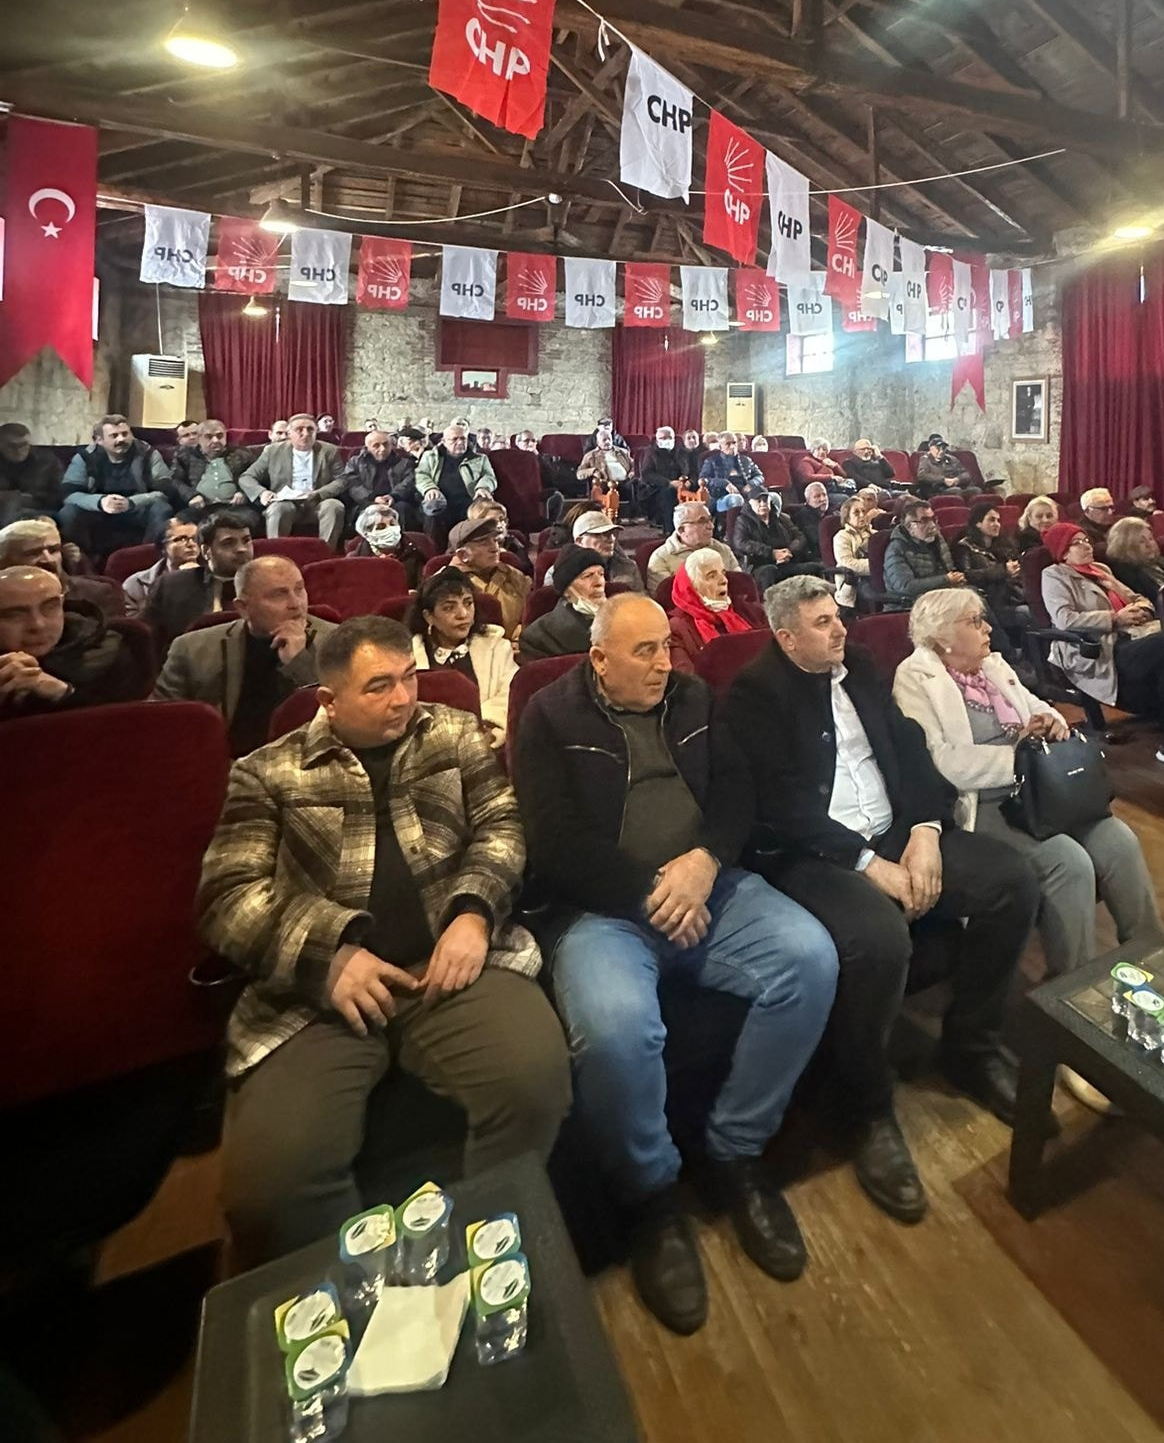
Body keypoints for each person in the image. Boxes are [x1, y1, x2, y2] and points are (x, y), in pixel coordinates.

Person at [199, 615, 571, 1268]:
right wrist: (327, 956)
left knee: (535, 1082)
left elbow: (501, 827)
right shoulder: (268, 773)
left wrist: (473, 911)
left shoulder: (452, 734)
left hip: (451, 965)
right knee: (271, 1183)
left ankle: (482, 1246)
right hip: (319, 999)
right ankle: (360, 1290)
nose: (402, 698)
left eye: (408, 678)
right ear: (329, 699)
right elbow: (227, 897)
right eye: (379, 687)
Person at [513, 594, 836, 1333]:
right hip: (604, 908)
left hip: (709, 884)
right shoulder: (549, 715)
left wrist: (705, 861)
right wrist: (650, 892)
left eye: (666, 646)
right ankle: (651, 1194)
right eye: (645, 652)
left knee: (810, 959)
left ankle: (735, 1148)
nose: (665, 663)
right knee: (615, 1028)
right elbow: (553, 840)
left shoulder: (694, 697)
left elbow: (735, 792)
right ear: (599, 659)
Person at [715, 578, 1039, 1224]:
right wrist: (870, 866)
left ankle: (971, 1046)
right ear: (786, 637)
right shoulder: (755, 693)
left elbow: (911, 751)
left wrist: (925, 831)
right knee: (879, 940)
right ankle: (864, 1109)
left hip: (894, 829)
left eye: (838, 616)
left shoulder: (859, 666)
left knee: (1011, 880)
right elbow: (780, 806)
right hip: (816, 852)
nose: (840, 628)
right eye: (822, 623)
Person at [893, 586, 1160, 1107]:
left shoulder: (992, 665)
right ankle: (1076, 1014)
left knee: (1119, 841)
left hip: (1040, 791)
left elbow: (1039, 707)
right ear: (942, 638)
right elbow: (940, 761)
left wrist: (1049, 722)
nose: (988, 628)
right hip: (984, 805)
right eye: (975, 621)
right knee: (1068, 863)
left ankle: (1151, 966)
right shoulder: (915, 677)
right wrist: (1017, 756)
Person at [153, 555, 335, 756]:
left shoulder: (337, 641)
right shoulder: (191, 649)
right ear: (243, 608)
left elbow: (340, 717)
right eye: (278, 595)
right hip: (224, 762)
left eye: (299, 589)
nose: (296, 603)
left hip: (305, 761)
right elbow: (160, 721)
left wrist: (298, 663)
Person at [1039, 522, 1164, 717]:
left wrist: (1143, 609)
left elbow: (1136, 597)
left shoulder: (1100, 568)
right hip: (1099, 646)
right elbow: (1065, 620)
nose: (1087, 546)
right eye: (1077, 543)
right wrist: (1115, 619)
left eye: (1086, 540)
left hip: (1134, 633)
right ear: (1063, 552)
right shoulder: (1054, 575)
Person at [0, 564, 137, 717]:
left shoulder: (108, 651)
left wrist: (64, 692)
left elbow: (121, 723)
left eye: (50, 607)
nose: (38, 625)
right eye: (14, 615)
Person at [409, 567, 515, 742]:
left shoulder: (496, 645)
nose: (463, 614)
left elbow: (510, 691)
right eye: (449, 608)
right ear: (429, 617)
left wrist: (486, 725)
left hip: (486, 737)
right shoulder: (409, 654)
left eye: (468, 603)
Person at [59, 415, 174, 559]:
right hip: (98, 510)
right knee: (69, 513)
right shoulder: (85, 457)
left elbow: (165, 491)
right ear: (99, 440)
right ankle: (81, 561)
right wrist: (100, 502)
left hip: (137, 507)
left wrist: (131, 502)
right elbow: (68, 495)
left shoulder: (148, 453)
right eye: (114, 436)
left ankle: (149, 559)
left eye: (125, 434)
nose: (121, 439)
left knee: (162, 508)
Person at [240, 414, 348, 548]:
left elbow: (342, 479)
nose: (305, 434)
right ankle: (277, 553)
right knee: (278, 509)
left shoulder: (329, 451)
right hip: (286, 502)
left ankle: (325, 551)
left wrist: (320, 493)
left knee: (334, 506)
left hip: (317, 501)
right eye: (299, 430)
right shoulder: (273, 451)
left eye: (310, 429)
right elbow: (247, 477)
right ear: (289, 433)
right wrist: (262, 493)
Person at [146, 510, 254, 643]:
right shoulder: (171, 586)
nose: (242, 549)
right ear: (206, 551)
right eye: (228, 543)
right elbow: (145, 636)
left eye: (246, 541)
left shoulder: (269, 581)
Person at [0, 516, 124, 621]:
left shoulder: (97, 594)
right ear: (4, 562)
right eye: (33, 553)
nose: (48, 560)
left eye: (54, 550)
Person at [668, 546, 756, 677]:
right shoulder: (677, 627)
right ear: (692, 587)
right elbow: (686, 680)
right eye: (712, 576)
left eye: (723, 573)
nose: (724, 581)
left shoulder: (748, 611)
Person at [415, 420, 498, 549]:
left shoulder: (479, 458)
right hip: (439, 500)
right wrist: (429, 488)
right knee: (434, 514)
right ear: (444, 441)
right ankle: (436, 553)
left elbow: (489, 476)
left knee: (480, 513)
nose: (460, 442)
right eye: (454, 439)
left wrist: (483, 487)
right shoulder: (430, 456)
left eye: (463, 439)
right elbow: (421, 475)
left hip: (469, 500)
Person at [168, 419, 260, 530]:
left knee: (249, 519)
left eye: (220, 436)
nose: (215, 440)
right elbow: (175, 480)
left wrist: (243, 492)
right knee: (177, 525)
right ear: (199, 438)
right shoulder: (185, 456)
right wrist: (191, 496)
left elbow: (256, 477)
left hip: (234, 507)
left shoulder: (242, 454)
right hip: (201, 508)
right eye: (209, 437)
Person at [519, 548, 607, 662]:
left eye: (601, 574)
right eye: (588, 576)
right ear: (567, 591)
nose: (599, 582)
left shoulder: (624, 620)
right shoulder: (539, 637)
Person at [448, 517, 528, 640]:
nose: (495, 548)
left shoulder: (513, 574)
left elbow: (530, 611)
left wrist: (522, 632)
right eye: (484, 543)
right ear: (463, 554)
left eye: (495, 540)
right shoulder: (444, 584)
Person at [954, 499, 1026, 630]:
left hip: (1012, 595)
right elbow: (967, 575)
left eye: (998, 520)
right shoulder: (964, 546)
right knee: (1028, 614)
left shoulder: (1004, 544)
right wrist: (1004, 571)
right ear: (978, 523)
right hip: (990, 600)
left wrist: (1016, 570)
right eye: (991, 520)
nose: (997, 524)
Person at [883, 495, 966, 607]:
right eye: (924, 521)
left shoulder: (938, 539)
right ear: (910, 526)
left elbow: (949, 569)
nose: (932, 526)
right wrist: (945, 580)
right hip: (911, 604)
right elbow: (906, 586)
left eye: (933, 519)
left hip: (941, 596)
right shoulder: (896, 549)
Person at [731, 486, 819, 591]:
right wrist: (772, 553)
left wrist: (789, 551)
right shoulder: (743, 521)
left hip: (787, 560)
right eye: (758, 501)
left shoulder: (781, 518)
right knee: (769, 571)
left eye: (765, 500)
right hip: (759, 564)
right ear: (750, 503)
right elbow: (740, 543)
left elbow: (800, 536)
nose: (763, 504)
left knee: (816, 567)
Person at [341, 428, 421, 531]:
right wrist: (373, 498)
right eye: (376, 445)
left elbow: (409, 482)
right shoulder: (355, 462)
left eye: (386, 444)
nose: (382, 449)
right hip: (367, 501)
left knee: (403, 509)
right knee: (364, 511)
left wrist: (393, 496)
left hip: (396, 501)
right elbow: (352, 484)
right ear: (368, 447)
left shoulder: (404, 462)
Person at [122, 515, 200, 618]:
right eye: (181, 539)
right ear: (163, 548)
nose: (191, 544)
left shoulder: (214, 574)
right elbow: (135, 625)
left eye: (195, 538)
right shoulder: (135, 585)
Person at [647, 500, 734, 589]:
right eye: (702, 521)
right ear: (682, 530)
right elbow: (665, 594)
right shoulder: (662, 558)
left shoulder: (723, 550)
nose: (711, 526)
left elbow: (738, 585)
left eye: (710, 520)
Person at [1104, 515, 1164, 607]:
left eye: (1150, 539)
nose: (1149, 545)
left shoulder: (1158, 561)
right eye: (1141, 542)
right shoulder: (1126, 573)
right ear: (1125, 547)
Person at [0, 422, 63, 528]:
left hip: (39, 510)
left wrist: (26, 498)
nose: (18, 450)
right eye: (12, 446)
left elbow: (61, 495)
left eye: (24, 445)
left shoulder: (47, 461)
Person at [636, 427, 698, 529]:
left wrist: (690, 482)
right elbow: (647, 474)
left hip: (684, 484)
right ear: (657, 440)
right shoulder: (651, 453)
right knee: (668, 493)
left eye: (669, 437)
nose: (667, 440)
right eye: (663, 438)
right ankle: (670, 528)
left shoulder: (683, 452)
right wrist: (669, 482)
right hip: (658, 487)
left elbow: (694, 471)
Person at [570, 509, 645, 593]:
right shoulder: (566, 571)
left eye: (611, 533)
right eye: (599, 534)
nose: (611, 539)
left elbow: (641, 599)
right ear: (579, 541)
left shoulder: (628, 567)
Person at [354, 503, 425, 590]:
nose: (390, 529)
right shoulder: (356, 560)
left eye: (392, 524)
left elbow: (423, 585)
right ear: (367, 535)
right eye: (381, 527)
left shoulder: (414, 552)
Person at [832, 491, 876, 612]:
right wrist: (876, 566)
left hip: (876, 578)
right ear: (847, 516)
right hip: (853, 582)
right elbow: (848, 563)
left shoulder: (875, 534)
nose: (862, 515)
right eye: (856, 512)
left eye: (864, 511)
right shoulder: (841, 537)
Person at [699, 433, 760, 515]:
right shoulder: (711, 461)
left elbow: (759, 476)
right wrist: (724, 483)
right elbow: (703, 479)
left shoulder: (746, 460)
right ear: (720, 447)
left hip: (747, 495)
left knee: (773, 497)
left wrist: (751, 484)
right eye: (728, 444)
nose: (732, 446)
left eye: (734, 443)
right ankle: (738, 523)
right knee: (736, 499)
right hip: (721, 497)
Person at [577, 424, 635, 508]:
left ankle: (634, 512)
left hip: (625, 482)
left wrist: (632, 472)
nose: (607, 442)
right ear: (598, 442)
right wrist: (593, 471)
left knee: (636, 485)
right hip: (605, 483)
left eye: (609, 439)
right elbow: (579, 474)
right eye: (604, 440)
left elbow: (634, 466)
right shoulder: (590, 455)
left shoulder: (623, 452)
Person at [790, 479, 834, 549]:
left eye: (824, 495)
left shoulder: (834, 512)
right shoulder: (802, 516)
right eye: (817, 496)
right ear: (808, 500)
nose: (823, 499)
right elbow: (816, 539)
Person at [1075, 488, 1117, 558]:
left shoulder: (1118, 524)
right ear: (1087, 511)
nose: (1110, 512)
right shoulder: (1081, 533)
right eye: (1103, 509)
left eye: (1111, 507)